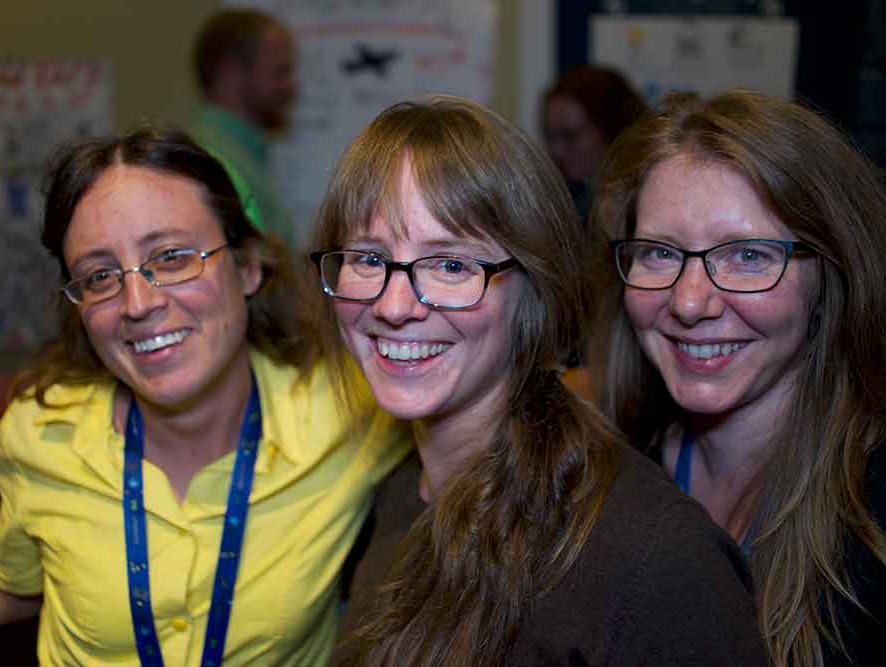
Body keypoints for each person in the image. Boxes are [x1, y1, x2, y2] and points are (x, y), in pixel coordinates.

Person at [0, 127, 409, 666]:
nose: (137, 302)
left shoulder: (347, 413)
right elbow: (16, 579)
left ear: (248, 266)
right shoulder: (43, 432)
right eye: (100, 275)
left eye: (172, 257)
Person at [309, 94, 767, 666]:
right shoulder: (396, 490)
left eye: (452, 265)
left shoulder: (647, 559)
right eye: (369, 260)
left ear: (536, 286)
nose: (395, 305)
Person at [589, 89, 886, 667]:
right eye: (658, 253)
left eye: (747, 255)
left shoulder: (871, 511)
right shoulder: (611, 471)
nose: (690, 301)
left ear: (831, 273)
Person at [190, 8, 298, 249]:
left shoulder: (245, 156)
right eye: (280, 72)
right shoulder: (212, 160)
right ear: (232, 73)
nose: (292, 87)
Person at [540, 64, 646, 221]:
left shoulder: (640, 205)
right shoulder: (576, 202)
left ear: (610, 128)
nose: (557, 151)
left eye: (571, 136)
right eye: (550, 136)